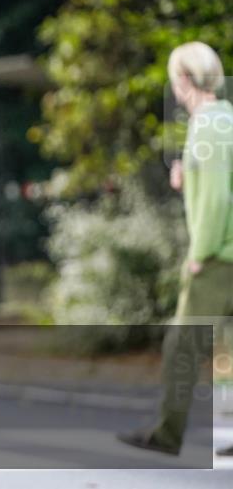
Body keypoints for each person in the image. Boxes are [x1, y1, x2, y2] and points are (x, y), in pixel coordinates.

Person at [118, 41, 233, 457]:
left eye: (174, 81)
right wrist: (188, 175)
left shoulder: (207, 124)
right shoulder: (227, 119)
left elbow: (218, 200)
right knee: (227, 350)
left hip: (220, 256)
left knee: (182, 346)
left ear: (184, 80)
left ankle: (167, 433)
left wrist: (199, 254)